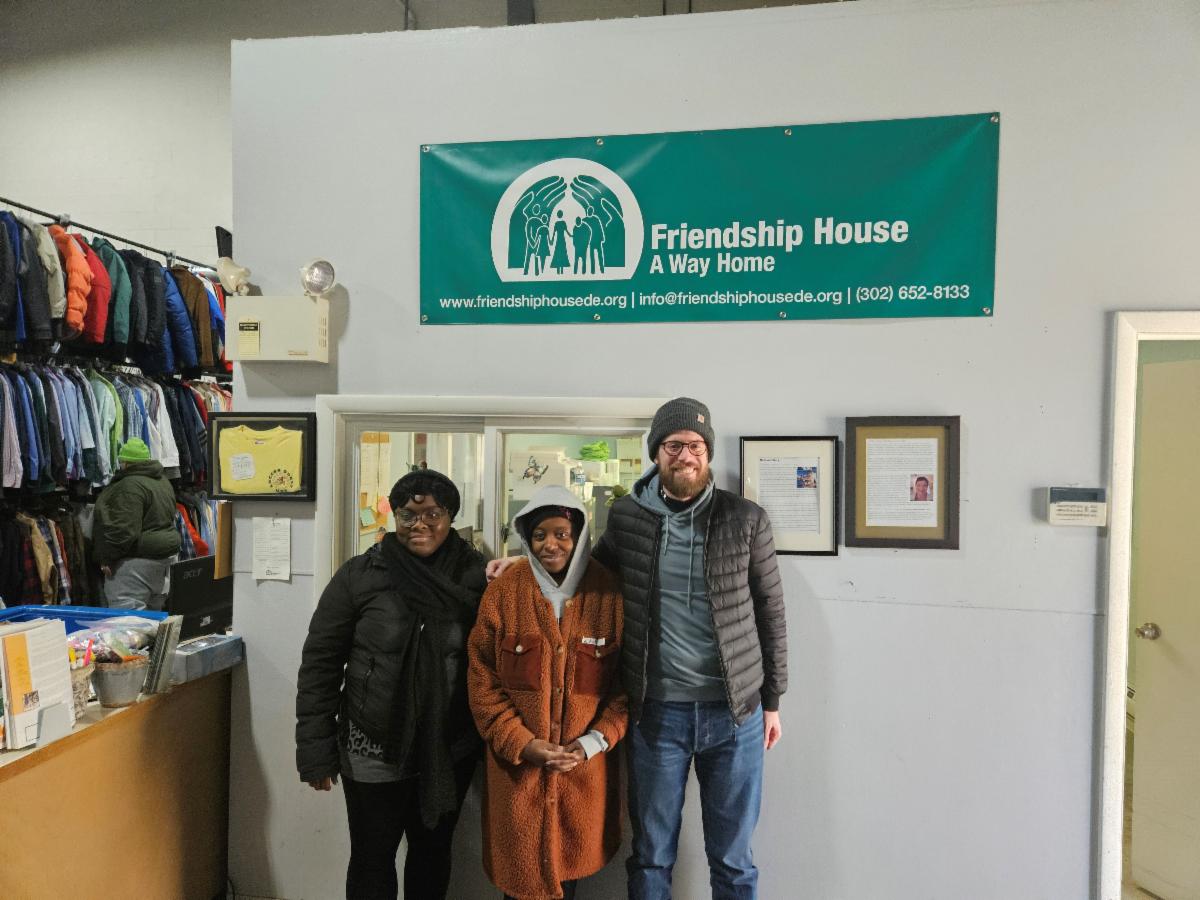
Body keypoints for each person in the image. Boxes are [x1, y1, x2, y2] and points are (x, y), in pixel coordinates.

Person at [488, 397, 787, 900]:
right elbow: (585, 572)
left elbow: (771, 612)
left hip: (735, 714)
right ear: (657, 452)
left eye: (695, 445)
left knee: (734, 859)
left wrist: (772, 701)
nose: (685, 455)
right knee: (651, 855)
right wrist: (520, 564)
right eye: (673, 445)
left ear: (708, 452)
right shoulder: (627, 516)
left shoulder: (746, 518)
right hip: (656, 714)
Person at [296, 470, 488, 900]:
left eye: (432, 514)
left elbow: (492, 662)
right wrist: (315, 750)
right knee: (371, 858)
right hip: (371, 745)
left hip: (447, 746)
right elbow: (321, 665)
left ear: (451, 517)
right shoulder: (361, 574)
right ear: (394, 516)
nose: (420, 524)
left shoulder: (475, 577)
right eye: (407, 515)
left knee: (432, 854)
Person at [468, 486, 627, 900]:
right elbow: (482, 680)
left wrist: (593, 742)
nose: (550, 544)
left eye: (562, 534)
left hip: (582, 778)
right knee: (518, 884)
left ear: (580, 536)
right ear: (526, 537)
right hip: (517, 778)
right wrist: (521, 743)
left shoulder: (608, 593)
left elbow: (625, 687)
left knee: (568, 880)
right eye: (539, 535)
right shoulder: (503, 593)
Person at [92, 437, 181, 610]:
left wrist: (106, 558)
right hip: (165, 558)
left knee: (128, 619)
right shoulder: (162, 481)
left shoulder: (128, 486)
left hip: (136, 561)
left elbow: (123, 530)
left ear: (125, 463)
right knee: (153, 616)